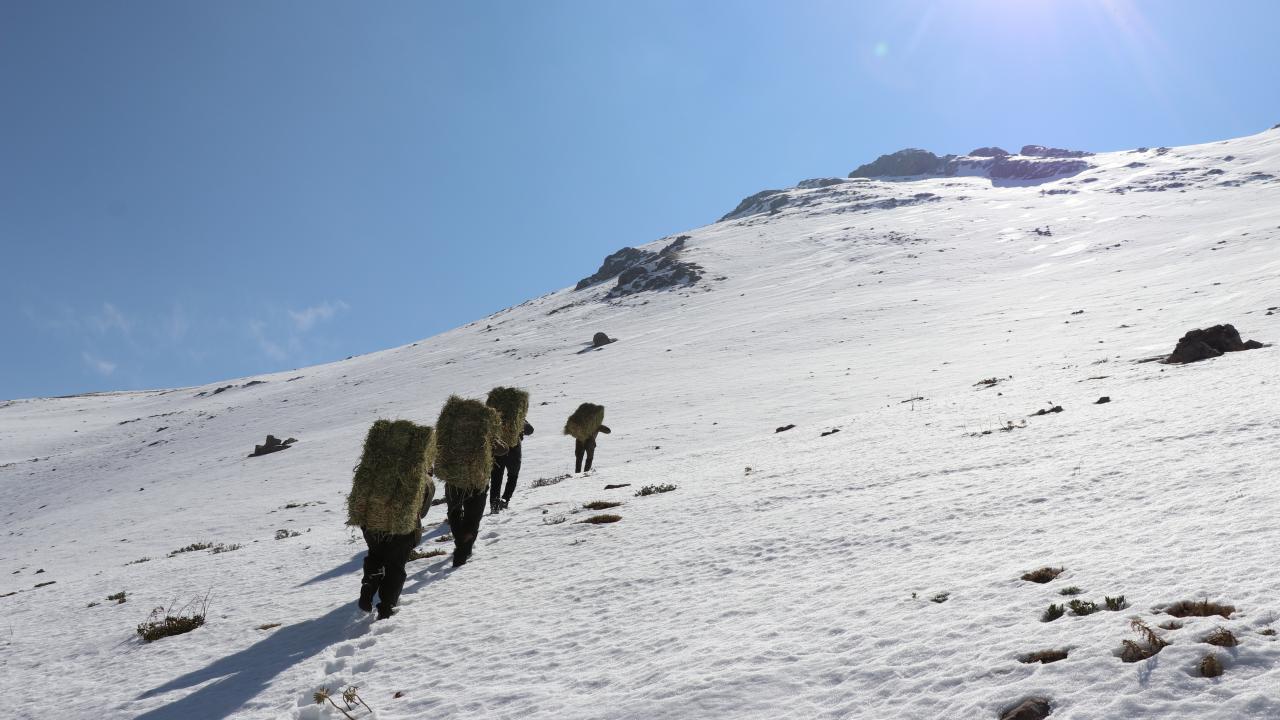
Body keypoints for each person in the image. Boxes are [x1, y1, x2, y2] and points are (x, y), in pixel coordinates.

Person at [346, 419, 434, 620]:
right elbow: (423, 510)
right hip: (401, 527)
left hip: (371, 522)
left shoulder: (374, 467)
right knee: (395, 566)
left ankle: (370, 583)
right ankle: (386, 606)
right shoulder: (422, 479)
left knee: (376, 555)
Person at [490, 420, 533, 513]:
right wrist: (519, 423)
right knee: (512, 476)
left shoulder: (493, 415)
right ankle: (505, 500)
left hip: (498, 450)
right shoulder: (517, 415)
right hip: (514, 451)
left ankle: (494, 505)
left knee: (496, 478)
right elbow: (530, 430)